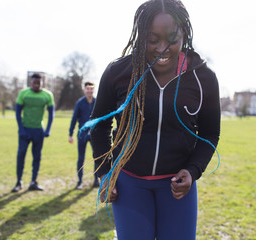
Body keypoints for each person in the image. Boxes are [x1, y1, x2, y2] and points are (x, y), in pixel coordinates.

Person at [88, 0, 221, 239]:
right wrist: (105, 173)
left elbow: (210, 133)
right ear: (141, 37)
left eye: (172, 38)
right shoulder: (118, 73)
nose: (162, 48)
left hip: (177, 189)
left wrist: (192, 171)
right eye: (152, 39)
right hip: (129, 185)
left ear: (184, 34)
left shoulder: (203, 78)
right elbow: (98, 126)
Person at [11, 73, 54, 192]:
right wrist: (21, 129)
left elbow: (51, 114)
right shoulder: (23, 93)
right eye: (34, 82)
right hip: (25, 130)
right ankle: (19, 182)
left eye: (38, 83)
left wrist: (48, 129)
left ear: (42, 83)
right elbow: (17, 113)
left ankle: (33, 182)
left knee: (37, 157)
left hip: (38, 131)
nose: (36, 85)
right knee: (21, 155)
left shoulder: (48, 95)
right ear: (30, 82)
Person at [68, 81, 99, 189]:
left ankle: (96, 180)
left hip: (95, 134)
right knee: (81, 158)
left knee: (96, 157)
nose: (89, 90)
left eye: (91, 88)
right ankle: (80, 181)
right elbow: (74, 118)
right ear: (84, 90)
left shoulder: (97, 102)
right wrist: (70, 134)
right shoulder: (80, 103)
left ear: (93, 90)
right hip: (82, 134)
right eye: (87, 88)